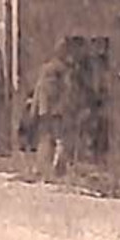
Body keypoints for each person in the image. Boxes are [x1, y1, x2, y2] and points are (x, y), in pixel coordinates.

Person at [31, 44, 76, 177]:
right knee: (59, 138)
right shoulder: (63, 70)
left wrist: (34, 108)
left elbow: (38, 90)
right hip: (58, 109)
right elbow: (68, 90)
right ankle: (57, 166)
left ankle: (41, 167)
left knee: (45, 138)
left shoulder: (44, 69)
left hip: (44, 109)